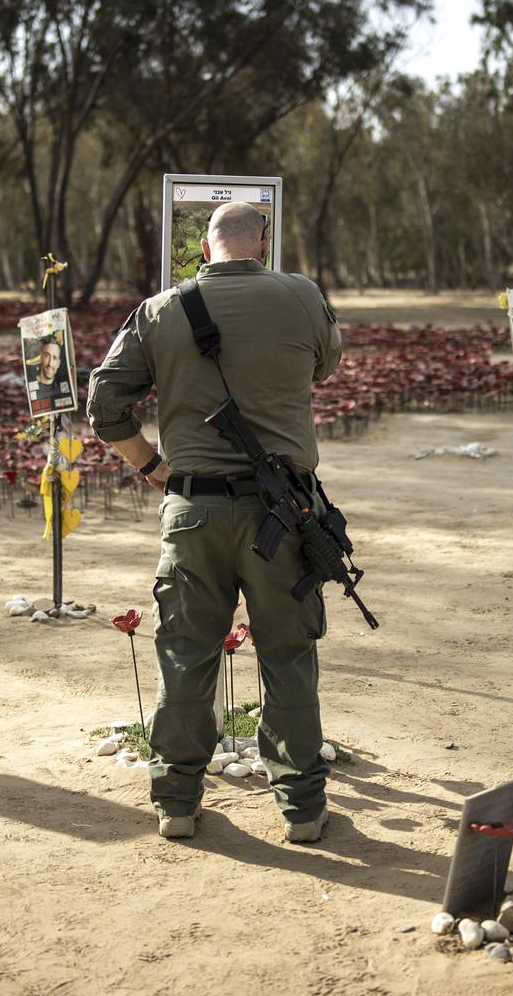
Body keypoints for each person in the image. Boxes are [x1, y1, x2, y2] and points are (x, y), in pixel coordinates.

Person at [88, 201, 341, 844]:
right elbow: (324, 365)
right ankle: (303, 811)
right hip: (284, 514)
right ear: (264, 242)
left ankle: (176, 801)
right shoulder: (303, 296)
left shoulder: (159, 310)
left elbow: (104, 402)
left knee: (184, 655)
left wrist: (149, 463)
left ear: (206, 246)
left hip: (193, 512)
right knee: (287, 657)